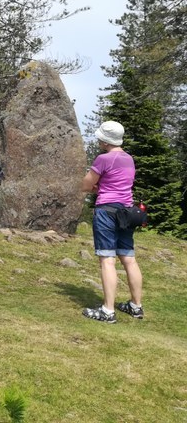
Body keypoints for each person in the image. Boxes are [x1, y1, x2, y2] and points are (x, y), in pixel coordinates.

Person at [80, 120, 144, 323]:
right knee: (129, 258)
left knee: (107, 259)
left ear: (105, 140)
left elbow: (86, 184)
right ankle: (136, 306)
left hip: (106, 211)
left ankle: (107, 311)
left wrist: (96, 189)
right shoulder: (129, 159)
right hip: (126, 212)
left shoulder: (103, 158)